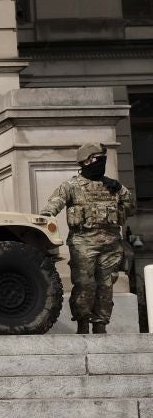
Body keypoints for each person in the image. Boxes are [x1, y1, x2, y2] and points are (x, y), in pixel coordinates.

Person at [41, 143, 135, 334]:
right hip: (83, 244)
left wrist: (121, 190)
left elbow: (131, 207)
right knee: (85, 285)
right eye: (97, 160)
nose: (101, 165)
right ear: (85, 161)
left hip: (111, 244)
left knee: (106, 285)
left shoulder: (113, 186)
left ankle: (100, 324)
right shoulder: (71, 186)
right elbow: (50, 208)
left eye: (103, 161)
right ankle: (83, 323)